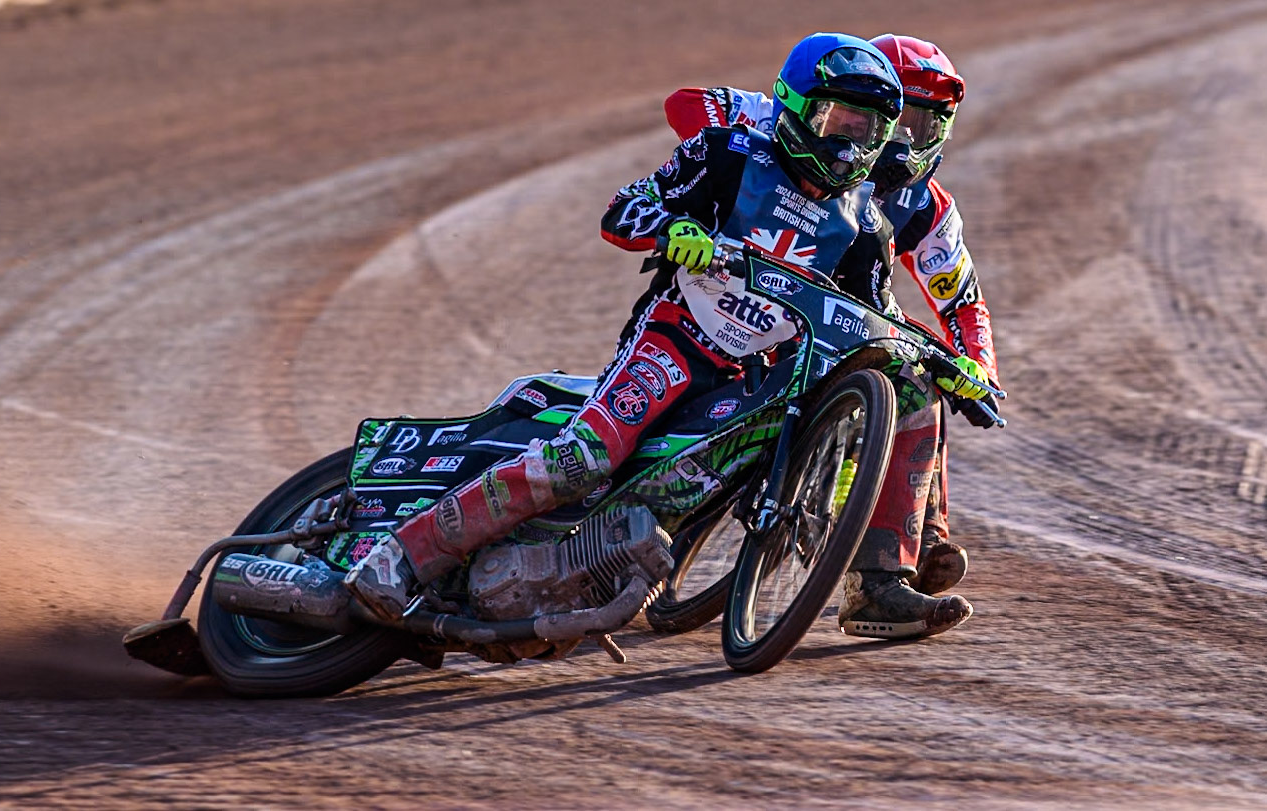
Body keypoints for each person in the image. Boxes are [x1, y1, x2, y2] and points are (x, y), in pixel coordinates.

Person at [346, 33, 989, 639]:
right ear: (795, 109)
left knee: (897, 381)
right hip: (676, 341)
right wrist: (673, 228)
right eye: (840, 122)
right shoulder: (728, 151)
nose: (861, 143)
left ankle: (888, 558)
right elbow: (626, 205)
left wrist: (959, 365)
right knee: (582, 460)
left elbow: (879, 318)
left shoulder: (875, 223)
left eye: (878, 127)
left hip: (763, 369)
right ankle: (401, 554)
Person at [661, 34, 999, 630]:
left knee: (928, 364)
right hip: (728, 302)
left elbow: (964, 301)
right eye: (891, 120)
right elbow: (683, 105)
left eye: (923, 126)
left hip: (843, 320)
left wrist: (981, 374)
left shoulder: (928, 206)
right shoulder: (793, 121)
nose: (900, 142)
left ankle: (887, 573)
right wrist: (757, 127)